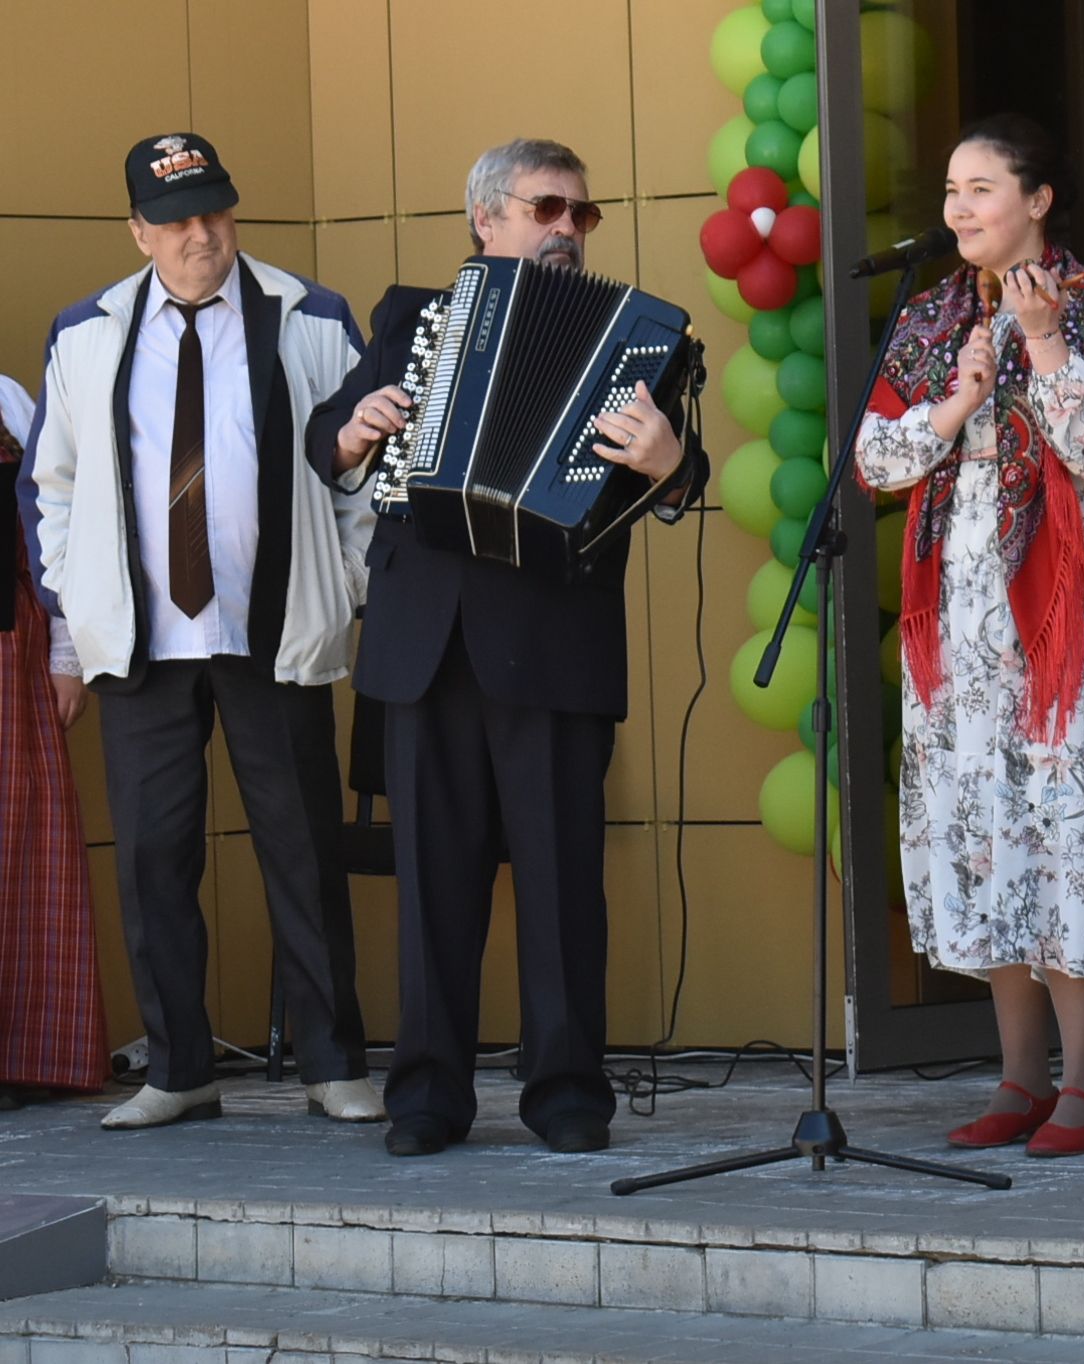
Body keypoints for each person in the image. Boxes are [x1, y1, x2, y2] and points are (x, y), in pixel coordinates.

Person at [306, 138, 708, 1158]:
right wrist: (355, 430)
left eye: (582, 212)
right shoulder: (408, 320)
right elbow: (325, 439)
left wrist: (671, 462)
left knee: (563, 877)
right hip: (426, 640)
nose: (569, 228)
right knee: (434, 880)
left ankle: (567, 1089)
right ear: (487, 219)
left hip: (554, 641)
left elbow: (679, 470)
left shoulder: (640, 335)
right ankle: (427, 1093)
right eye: (548, 208)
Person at [854, 114, 1084, 1158]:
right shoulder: (929, 316)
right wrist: (955, 401)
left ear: (1037, 200)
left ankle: (1080, 1082)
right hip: (964, 618)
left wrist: (1045, 343)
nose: (959, 208)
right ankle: (1015, 1077)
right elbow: (876, 461)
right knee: (989, 829)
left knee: (1068, 825)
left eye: (981, 187)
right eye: (949, 191)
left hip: (1077, 615)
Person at [21, 132, 382, 1129]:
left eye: (215, 213)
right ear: (139, 232)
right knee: (153, 858)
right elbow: (52, 485)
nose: (201, 236)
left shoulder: (309, 317)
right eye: (176, 222)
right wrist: (76, 597)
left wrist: (342, 580)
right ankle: (178, 1068)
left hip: (270, 632)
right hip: (143, 642)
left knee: (303, 853)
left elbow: (364, 472)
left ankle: (333, 1061)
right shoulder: (86, 331)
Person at [0, 375, 110, 1108]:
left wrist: (67, 657)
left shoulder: (6, 401)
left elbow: (56, 529)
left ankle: (23, 1058)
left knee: (20, 851)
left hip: (8, 658)